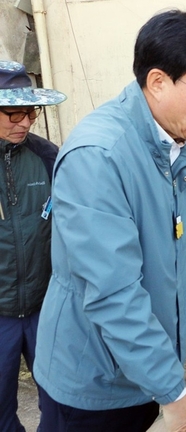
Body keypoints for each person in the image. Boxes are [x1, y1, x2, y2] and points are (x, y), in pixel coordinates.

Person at [33, 10, 186, 432]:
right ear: (159, 82)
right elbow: (114, 293)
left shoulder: (177, 143)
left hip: (153, 370)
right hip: (96, 381)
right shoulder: (99, 157)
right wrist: (176, 398)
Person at [0, 60, 65, 432]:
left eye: (31, 113)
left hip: (46, 309)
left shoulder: (48, 157)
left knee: (59, 402)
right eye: (13, 113)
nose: (24, 122)